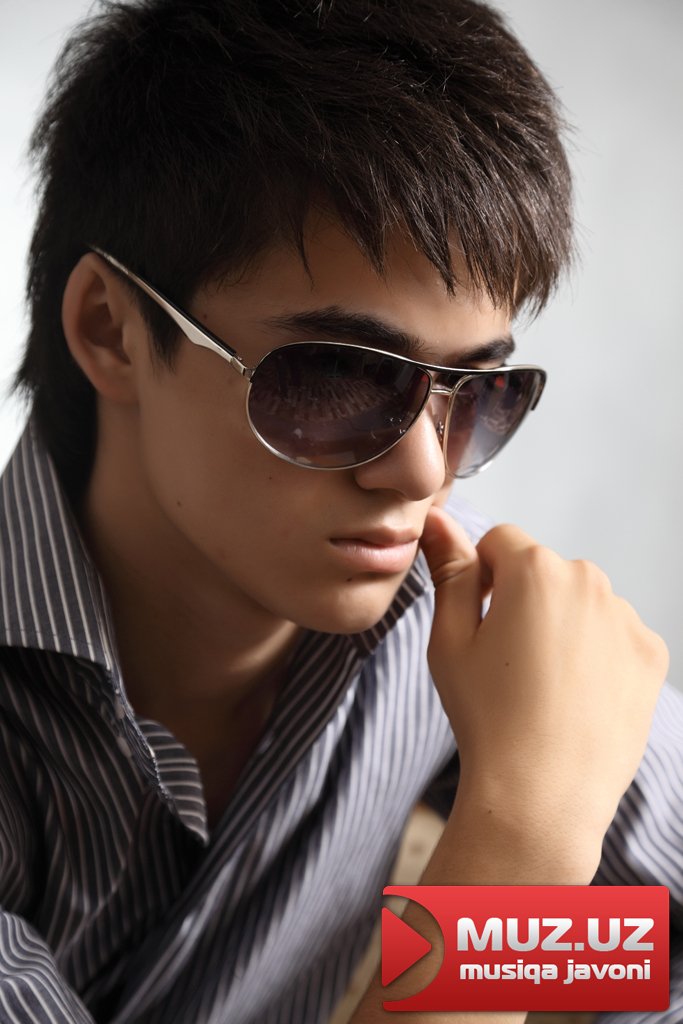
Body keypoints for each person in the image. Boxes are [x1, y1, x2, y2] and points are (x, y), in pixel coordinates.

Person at [0, 1, 680, 1022]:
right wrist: (517, 844)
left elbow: (657, 957)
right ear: (111, 330)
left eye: (476, 391)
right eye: (333, 378)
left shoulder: (464, 641)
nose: (421, 471)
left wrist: (506, 929)